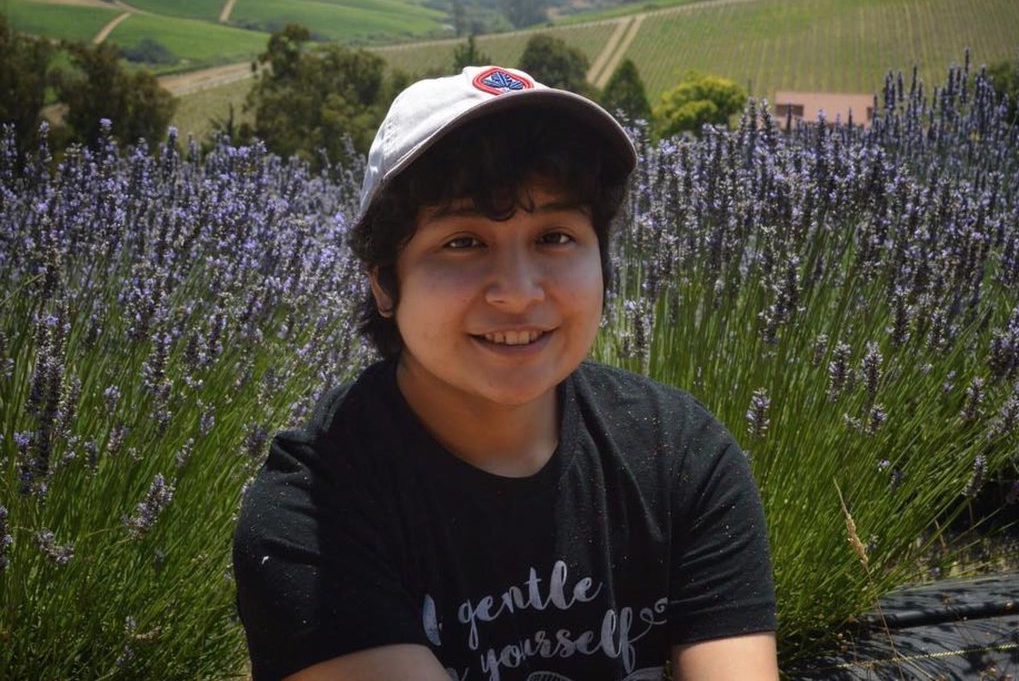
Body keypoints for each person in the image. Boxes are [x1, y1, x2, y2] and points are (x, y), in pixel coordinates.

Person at [232, 65, 779, 681]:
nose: (518, 293)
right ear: (383, 280)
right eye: (462, 242)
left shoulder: (680, 456)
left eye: (554, 235)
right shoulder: (312, 522)